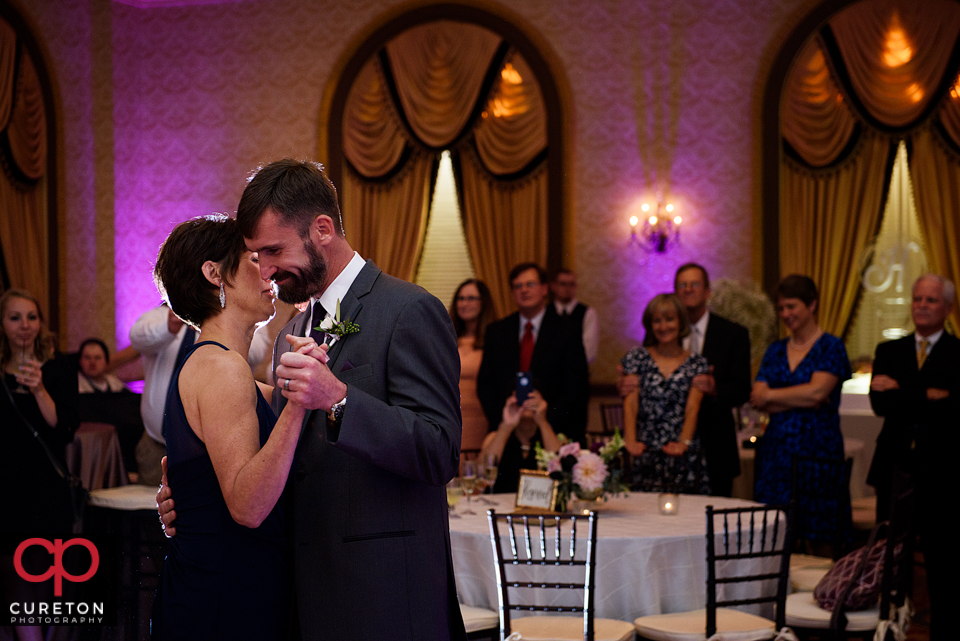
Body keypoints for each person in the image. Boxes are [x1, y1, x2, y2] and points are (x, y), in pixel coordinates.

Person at [160, 159, 466, 640]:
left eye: (274, 250)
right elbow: (275, 456)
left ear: (322, 229)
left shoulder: (407, 310)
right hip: (302, 598)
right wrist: (195, 499)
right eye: (257, 256)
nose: (267, 269)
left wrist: (340, 400)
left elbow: (441, 450)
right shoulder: (290, 334)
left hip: (382, 597)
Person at [149, 215, 316, 640]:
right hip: (225, 597)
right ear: (214, 273)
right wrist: (298, 404)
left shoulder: (225, 369)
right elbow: (248, 506)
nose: (269, 272)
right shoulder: (221, 369)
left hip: (227, 583)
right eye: (253, 259)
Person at [868, 274, 959, 641]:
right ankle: (887, 631)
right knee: (890, 562)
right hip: (894, 470)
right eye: (917, 298)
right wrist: (929, 395)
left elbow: (955, 409)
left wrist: (903, 391)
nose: (921, 305)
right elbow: (879, 403)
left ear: (948, 308)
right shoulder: (888, 351)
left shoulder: (958, 353)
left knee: (943, 563)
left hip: (942, 475)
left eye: (931, 300)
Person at [617, 264, 752, 496]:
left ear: (708, 291)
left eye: (695, 284)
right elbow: (634, 394)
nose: (688, 289)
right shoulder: (643, 352)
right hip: (648, 449)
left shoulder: (732, 334)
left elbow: (741, 389)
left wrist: (713, 388)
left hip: (710, 446)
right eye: (682, 285)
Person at [0, 289, 80, 641]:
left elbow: (64, 430)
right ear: (2, 324)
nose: (24, 326)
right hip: (5, 486)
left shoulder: (59, 367)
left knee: (45, 570)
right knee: (12, 572)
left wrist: (39, 390)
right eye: (15, 317)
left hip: (47, 485)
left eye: (32, 317)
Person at [750, 275, 851, 540]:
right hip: (776, 453)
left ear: (812, 305)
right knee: (774, 533)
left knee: (821, 533)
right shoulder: (775, 350)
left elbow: (817, 392)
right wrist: (803, 396)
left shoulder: (831, 346)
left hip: (818, 451)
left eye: (792, 306)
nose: (785, 314)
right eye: (781, 308)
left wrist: (775, 396)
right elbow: (758, 397)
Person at [130, 303, 270, 486]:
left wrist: (216, 326)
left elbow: (256, 352)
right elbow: (137, 338)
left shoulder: (243, 315)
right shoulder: (161, 314)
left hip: (212, 451)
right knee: (152, 510)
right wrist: (169, 325)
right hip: (156, 446)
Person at [477, 263, 589, 445]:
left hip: (553, 431)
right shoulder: (497, 331)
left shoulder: (567, 330)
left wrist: (544, 420)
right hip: (506, 433)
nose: (524, 291)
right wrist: (506, 420)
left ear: (544, 289)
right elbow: (485, 385)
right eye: (518, 286)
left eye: (530, 284)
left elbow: (576, 386)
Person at [621, 294, 710, 494]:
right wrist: (631, 441)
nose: (663, 327)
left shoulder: (697, 363)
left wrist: (683, 443)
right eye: (657, 321)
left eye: (669, 319)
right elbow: (631, 403)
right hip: (645, 450)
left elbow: (693, 407)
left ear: (680, 322)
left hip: (683, 453)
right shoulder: (637, 357)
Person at [449, 278, 496, 456]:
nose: (465, 304)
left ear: (483, 303)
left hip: (482, 425)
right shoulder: (447, 339)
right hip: (451, 421)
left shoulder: (495, 340)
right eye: (461, 299)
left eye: (471, 298)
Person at [480, 390, 558, 493]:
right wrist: (507, 425)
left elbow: (560, 469)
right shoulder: (495, 436)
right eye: (521, 397)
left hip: (538, 505)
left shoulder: (549, 436)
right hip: (500, 504)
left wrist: (542, 421)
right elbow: (481, 472)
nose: (526, 403)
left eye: (531, 398)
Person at [551, 269, 600, 364]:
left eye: (571, 284)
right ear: (553, 286)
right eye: (563, 284)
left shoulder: (587, 313)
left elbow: (589, 351)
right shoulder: (546, 311)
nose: (567, 288)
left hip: (577, 371)